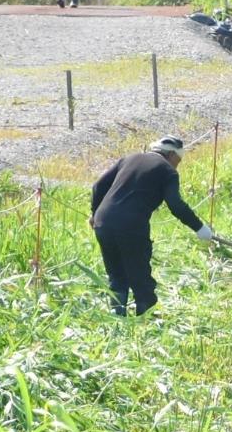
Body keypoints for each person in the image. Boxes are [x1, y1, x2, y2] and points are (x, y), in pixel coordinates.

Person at [88, 135, 215, 316]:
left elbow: (98, 186)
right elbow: (176, 205)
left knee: (116, 276)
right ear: (171, 154)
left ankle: (117, 320)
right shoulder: (167, 171)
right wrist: (199, 228)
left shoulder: (129, 159)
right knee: (140, 277)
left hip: (103, 222)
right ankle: (145, 323)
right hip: (131, 226)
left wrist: (94, 214)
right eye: (178, 161)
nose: (177, 165)